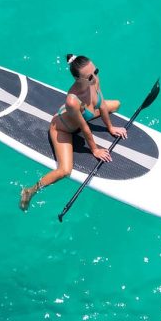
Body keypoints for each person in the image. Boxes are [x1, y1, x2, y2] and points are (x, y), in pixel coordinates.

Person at [20, 54, 126, 211]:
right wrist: (95, 149)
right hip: (63, 128)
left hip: (82, 115)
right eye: (89, 77)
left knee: (116, 104)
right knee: (64, 171)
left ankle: (30, 190)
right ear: (78, 79)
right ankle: (29, 191)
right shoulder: (72, 100)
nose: (95, 77)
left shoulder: (94, 81)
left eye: (96, 71)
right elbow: (84, 127)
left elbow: (102, 105)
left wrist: (110, 128)